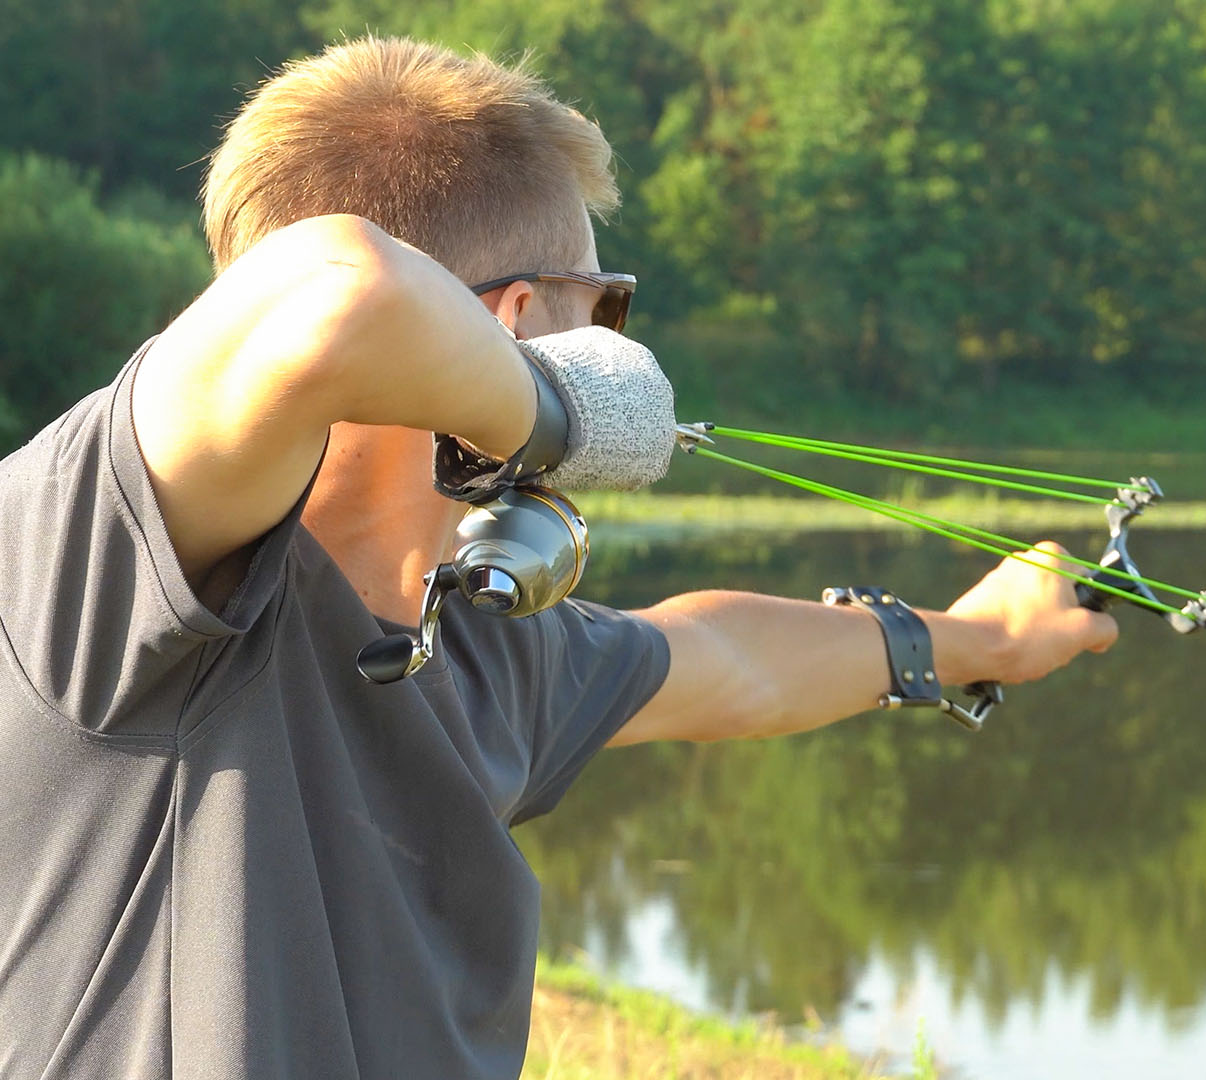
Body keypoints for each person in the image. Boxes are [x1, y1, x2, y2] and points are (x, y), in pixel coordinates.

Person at [0, 36, 1116, 1079]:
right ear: (523, 321)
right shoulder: (117, 566)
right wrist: (557, 411)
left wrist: (980, 640)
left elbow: (722, 659)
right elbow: (340, 294)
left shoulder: (481, 638)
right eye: (602, 316)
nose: (617, 354)